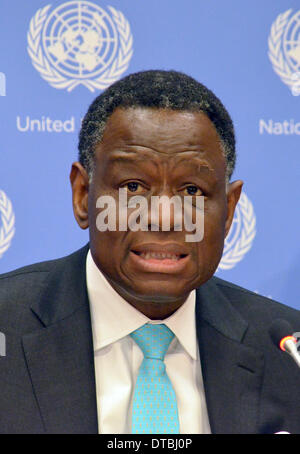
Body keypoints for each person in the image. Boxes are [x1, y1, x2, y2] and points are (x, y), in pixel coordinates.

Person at [0, 70, 300, 434]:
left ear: (230, 210)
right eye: (132, 186)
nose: (163, 218)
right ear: (82, 195)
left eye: (192, 191)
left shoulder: (289, 355)